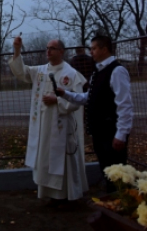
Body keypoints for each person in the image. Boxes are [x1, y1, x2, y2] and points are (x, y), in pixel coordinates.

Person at [9, 37, 88, 206]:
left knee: (62, 160)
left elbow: (78, 100)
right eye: (47, 48)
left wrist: (57, 101)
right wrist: (17, 50)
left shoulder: (71, 73)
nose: (48, 51)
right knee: (45, 159)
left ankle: (67, 196)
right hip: (43, 127)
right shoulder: (41, 71)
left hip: (61, 127)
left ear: (61, 51)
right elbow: (22, 72)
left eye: (52, 48)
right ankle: (50, 195)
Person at [57, 35, 133, 192]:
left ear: (104, 49)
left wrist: (121, 134)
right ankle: (112, 205)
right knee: (106, 170)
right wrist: (65, 94)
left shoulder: (117, 71)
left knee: (117, 173)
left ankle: (121, 205)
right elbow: (88, 98)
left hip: (111, 132)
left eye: (93, 48)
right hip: (99, 132)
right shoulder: (97, 72)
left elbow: (124, 105)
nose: (90, 52)